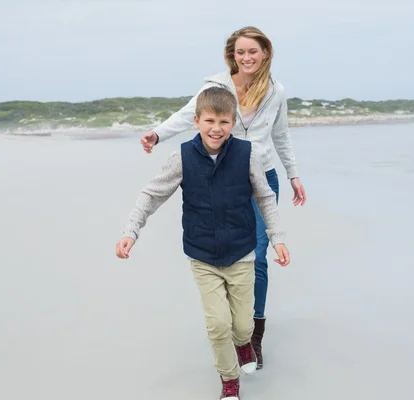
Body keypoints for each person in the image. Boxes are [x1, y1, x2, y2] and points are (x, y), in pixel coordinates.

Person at [138, 26, 305, 369]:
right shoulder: (216, 85)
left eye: (253, 52)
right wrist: (158, 133)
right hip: (223, 173)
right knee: (225, 252)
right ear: (233, 55)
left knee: (257, 257)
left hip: (261, 175)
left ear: (265, 54)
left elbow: (282, 136)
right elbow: (190, 114)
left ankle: (253, 331)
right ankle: (228, 321)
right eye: (241, 52)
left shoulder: (275, 91)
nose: (247, 58)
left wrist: (293, 175)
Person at [116, 86, 290, 400]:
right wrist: (131, 231)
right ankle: (229, 382)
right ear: (197, 121)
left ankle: (243, 344)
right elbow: (152, 194)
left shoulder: (247, 154)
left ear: (233, 123)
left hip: (242, 253)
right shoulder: (181, 157)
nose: (216, 128)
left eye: (223, 122)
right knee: (218, 324)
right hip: (203, 256)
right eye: (209, 121)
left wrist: (277, 238)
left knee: (241, 325)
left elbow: (264, 197)